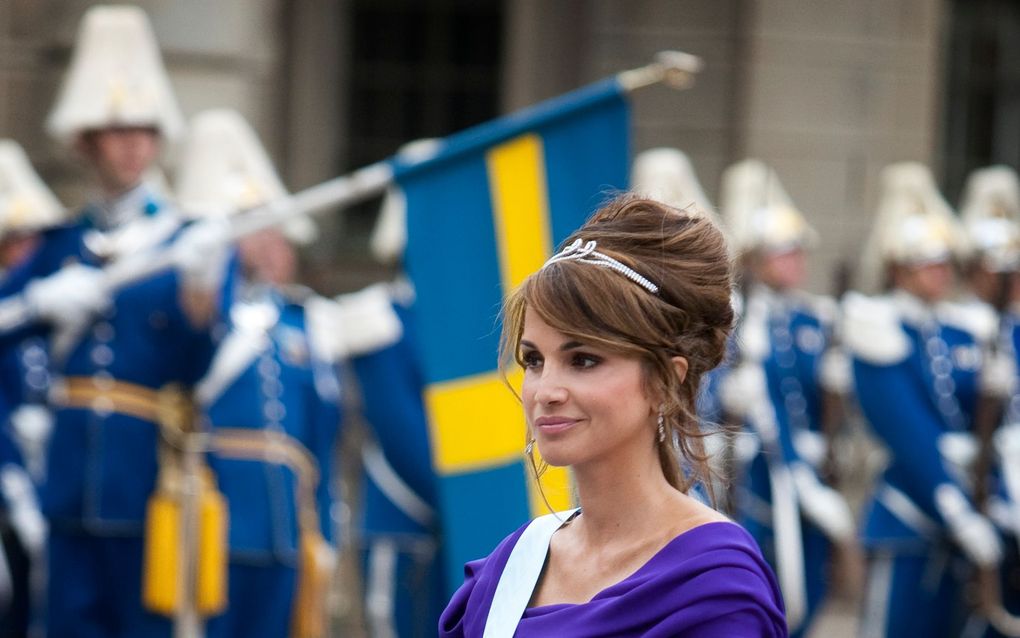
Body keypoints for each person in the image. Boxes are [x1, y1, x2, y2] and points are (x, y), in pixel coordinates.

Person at [439, 194, 787, 637]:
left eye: (583, 359)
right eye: (533, 360)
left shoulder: (715, 588)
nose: (545, 391)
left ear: (667, 381)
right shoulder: (510, 568)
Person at [0, 7, 231, 637]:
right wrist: (39, 304)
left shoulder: (188, 238)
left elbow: (197, 366)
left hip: (145, 478)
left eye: (144, 129)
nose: (132, 143)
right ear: (85, 141)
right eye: (115, 129)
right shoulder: (58, 245)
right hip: (69, 478)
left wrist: (201, 289)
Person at [846, 163, 1003, 637]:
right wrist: (955, 508)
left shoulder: (964, 329)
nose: (940, 274)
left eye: (943, 264)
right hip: (911, 511)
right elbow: (908, 434)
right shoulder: (878, 326)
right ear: (899, 267)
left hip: (976, 506)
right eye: (927, 264)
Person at [717, 159, 856, 637]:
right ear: (754, 259)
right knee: (755, 585)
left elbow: (827, 408)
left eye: (799, 252)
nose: (796, 261)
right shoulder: (731, 316)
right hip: (754, 475)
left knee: (809, 591)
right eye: (783, 253)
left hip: (807, 469)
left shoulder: (812, 318)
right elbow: (712, 394)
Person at [0, 139, 63, 637]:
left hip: (47, 477)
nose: (26, 249)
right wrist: (12, 478)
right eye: (13, 238)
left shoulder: (42, 305)